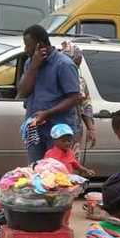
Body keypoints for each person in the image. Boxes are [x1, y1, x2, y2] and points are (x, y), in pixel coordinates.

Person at [17, 24, 82, 163]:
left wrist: (48, 113)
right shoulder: (30, 63)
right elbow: (23, 91)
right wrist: (34, 67)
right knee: (36, 171)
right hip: (35, 129)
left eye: (28, 45)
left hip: (58, 131)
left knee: (56, 174)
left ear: (40, 45)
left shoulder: (63, 64)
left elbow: (74, 98)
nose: (25, 49)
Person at [61, 42, 96, 154]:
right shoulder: (55, 79)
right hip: (59, 131)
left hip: (75, 130)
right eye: (76, 61)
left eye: (79, 62)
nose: (77, 66)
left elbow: (86, 105)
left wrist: (91, 129)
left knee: (73, 162)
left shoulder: (80, 81)